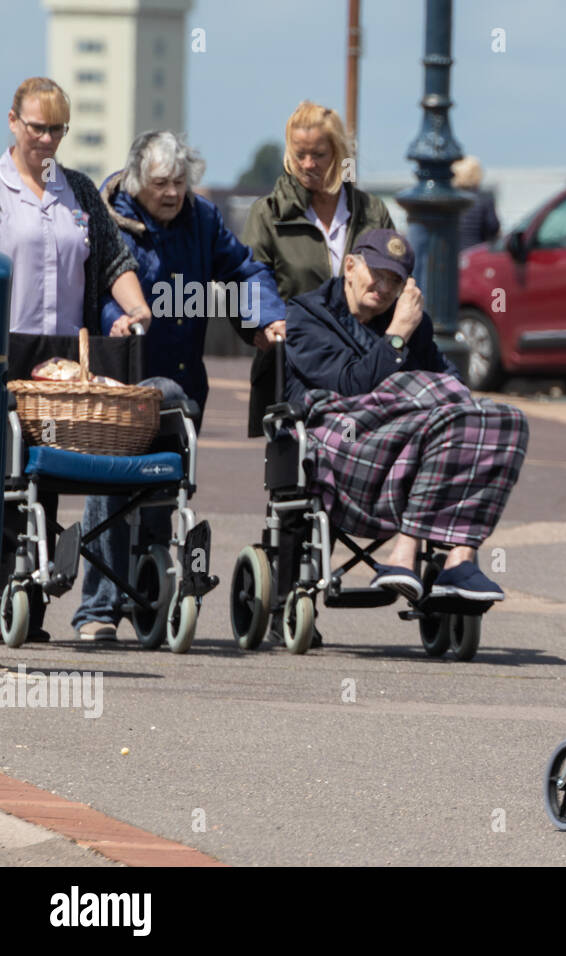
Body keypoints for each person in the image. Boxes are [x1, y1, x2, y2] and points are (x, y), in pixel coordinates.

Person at [70, 130, 286, 641]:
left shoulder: (201, 218)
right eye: (162, 183)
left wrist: (265, 320)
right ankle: (97, 609)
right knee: (112, 488)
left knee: (163, 491)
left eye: (180, 182)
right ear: (138, 180)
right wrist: (114, 317)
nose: (172, 193)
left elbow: (242, 271)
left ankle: (145, 592)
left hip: (181, 382)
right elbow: (96, 281)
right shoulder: (108, 215)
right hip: (119, 377)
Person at [284, 229, 528, 603]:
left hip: (405, 450)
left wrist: (410, 337)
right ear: (350, 266)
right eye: (377, 273)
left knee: (504, 420)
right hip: (342, 440)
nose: (383, 287)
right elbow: (348, 387)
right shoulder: (307, 315)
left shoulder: (415, 322)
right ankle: (404, 550)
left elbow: (452, 384)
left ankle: (459, 559)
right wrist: (397, 334)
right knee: (439, 404)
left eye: (394, 280)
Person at [0, 77, 152, 643]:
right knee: (4, 480)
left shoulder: (81, 193)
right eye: (36, 126)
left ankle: (29, 609)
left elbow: (115, 262)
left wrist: (137, 311)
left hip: (62, 363)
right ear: (12, 121)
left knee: (43, 482)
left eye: (56, 129)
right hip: (5, 348)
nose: (45, 139)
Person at [241, 100, 395, 438]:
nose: (308, 165)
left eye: (319, 155)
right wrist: (261, 322)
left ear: (339, 153)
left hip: (364, 365)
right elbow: (248, 277)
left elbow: (395, 275)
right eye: (300, 155)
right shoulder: (267, 214)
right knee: (298, 473)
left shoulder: (372, 212)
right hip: (296, 365)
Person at [451, 156, 501, 250]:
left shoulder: (448, 199)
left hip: (451, 253)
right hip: (475, 252)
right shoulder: (484, 199)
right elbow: (493, 227)